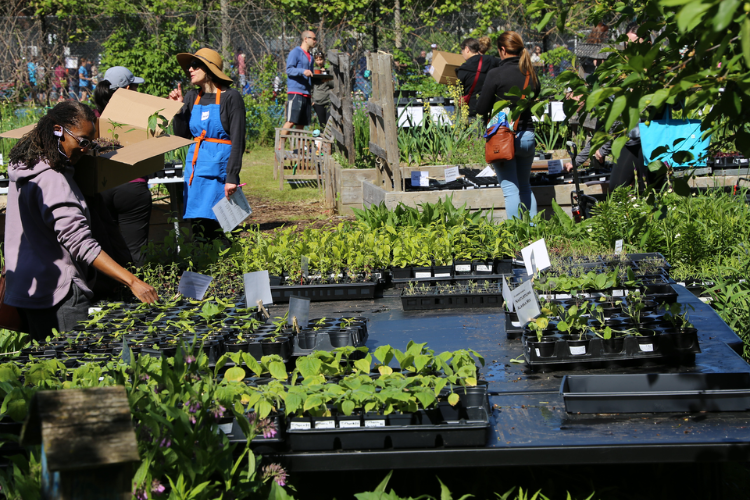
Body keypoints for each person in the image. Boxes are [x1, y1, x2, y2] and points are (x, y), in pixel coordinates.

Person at [4, 101, 158, 341]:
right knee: (73, 368)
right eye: (83, 141)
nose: (86, 149)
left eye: (91, 143)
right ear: (58, 131)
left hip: (28, 288)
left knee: (46, 369)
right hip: (58, 293)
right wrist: (133, 282)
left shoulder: (25, 167)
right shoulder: (52, 179)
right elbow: (81, 243)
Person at [168, 48, 247, 239]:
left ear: (209, 69)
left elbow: (238, 140)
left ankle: (225, 267)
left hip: (220, 171)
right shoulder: (191, 97)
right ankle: (202, 267)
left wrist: (232, 176)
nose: (190, 70)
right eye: (189, 66)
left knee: (221, 228)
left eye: (195, 65)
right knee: (198, 228)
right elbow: (182, 134)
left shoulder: (231, 97)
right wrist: (178, 110)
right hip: (196, 172)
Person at [476, 31, 541, 221]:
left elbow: (481, 108)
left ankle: (517, 237)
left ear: (502, 50)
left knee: (511, 191)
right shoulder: (530, 73)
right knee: (525, 187)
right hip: (527, 136)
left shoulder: (496, 74)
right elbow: (534, 97)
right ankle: (534, 232)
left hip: (503, 138)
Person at [94, 66, 153, 265]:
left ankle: (113, 290)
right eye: (135, 87)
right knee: (136, 251)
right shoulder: (138, 117)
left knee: (105, 248)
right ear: (127, 89)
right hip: (132, 187)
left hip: (101, 188)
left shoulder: (93, 115)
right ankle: (140, 291)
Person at [281, 31, 317, 135]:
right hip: (296, 92)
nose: (315, 41)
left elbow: (310, 75)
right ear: (305, 39)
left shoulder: (311, 57)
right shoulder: (295, 52)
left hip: (307, 93)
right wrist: (303, 71)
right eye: (313, 39)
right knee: (291, 121)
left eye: (315, 39)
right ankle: (279, 148)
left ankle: (298, 149)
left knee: (301, 124)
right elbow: (289, 70)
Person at [456, 38, 497, 119]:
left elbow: (459, 91)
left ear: (467, 49)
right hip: (490, 108)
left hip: (471, 111)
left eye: (462, 51)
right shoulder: (491, 60)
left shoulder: (464, 68)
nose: (462, 54)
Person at [312, 52, 333, 127]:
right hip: (318, 101)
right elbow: (311, 85)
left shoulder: (329, 69)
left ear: (324, 59)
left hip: (327, 100)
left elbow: (332, 84)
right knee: (322, 123)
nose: (319, 62)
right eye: (317, 60)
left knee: (328, 123)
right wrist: (312, 101)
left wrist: (325, 74)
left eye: (320, 59)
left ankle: (327, 138)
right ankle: (321, 137)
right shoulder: (314, 70)